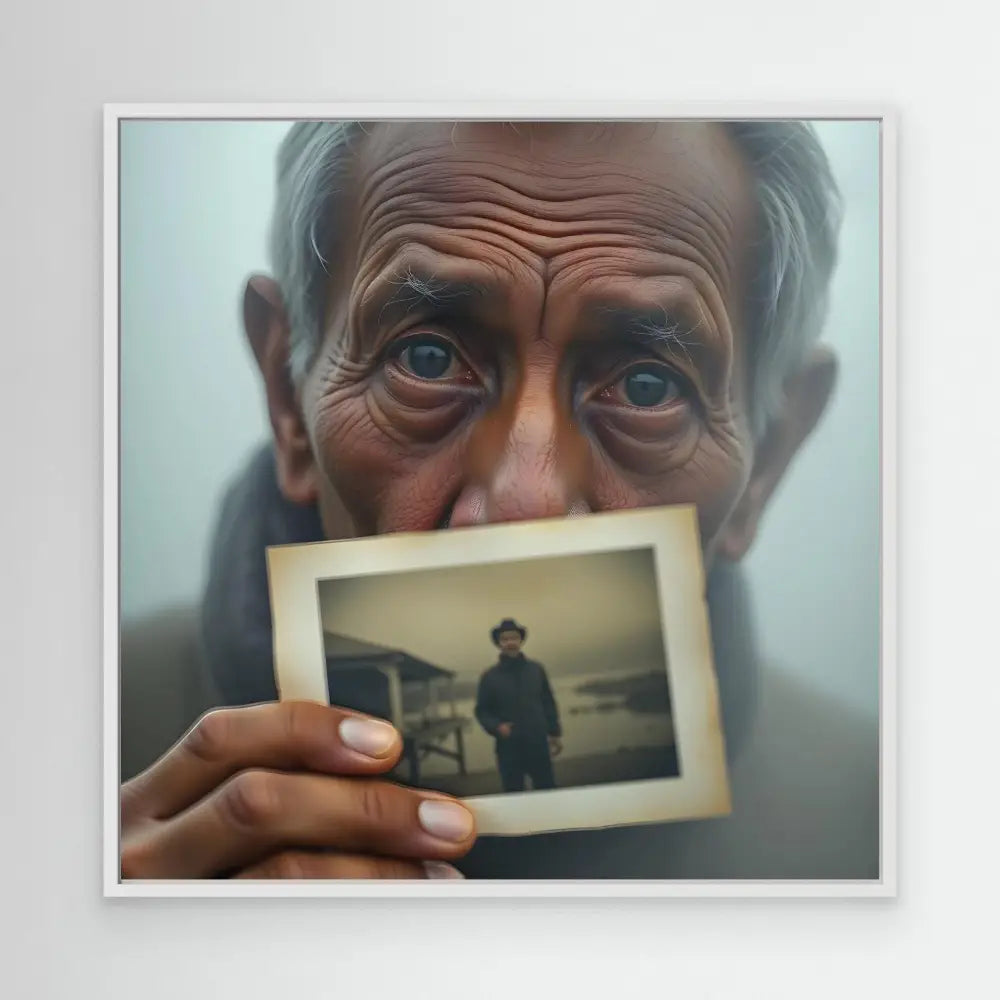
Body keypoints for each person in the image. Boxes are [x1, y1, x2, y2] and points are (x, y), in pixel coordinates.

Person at [120, 119, 879, 881]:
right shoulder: (65, 760)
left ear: (769, 460)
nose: (527, 504)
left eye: (648, 387)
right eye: (427, 358)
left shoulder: (877, 834)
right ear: (289, 394)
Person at [475, 619, 563, 792]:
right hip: (508, 746)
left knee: (547, 790)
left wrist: (554, 733)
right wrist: (497, 726)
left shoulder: (536, 669)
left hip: (537, 742)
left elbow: (548, 702)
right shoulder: (489, 676)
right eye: (505, 639)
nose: (510, 643)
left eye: (514, 638)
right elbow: (482, 710)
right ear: (499, 643)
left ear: (521, 641)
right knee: (513, 793)